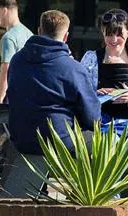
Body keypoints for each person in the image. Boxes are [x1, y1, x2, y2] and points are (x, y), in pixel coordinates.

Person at [80, 8, 128, 194]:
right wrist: (96, 95)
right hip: (105, 125)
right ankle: (111, 204)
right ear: (102, 32)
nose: (114, 39)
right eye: (109, 34)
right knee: (111, 155)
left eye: (119, 34)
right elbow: (80, 91)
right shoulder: (92, 58)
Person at [7, 9, 100, 154]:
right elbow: (93, 119)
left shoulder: (16, 60)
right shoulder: (73, 69)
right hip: (59, 142)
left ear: (39, 30)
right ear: (65, 37)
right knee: (114, 141)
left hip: (21, 141)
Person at [0, 0, 33, 103]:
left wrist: (0, 98)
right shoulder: (29, 34)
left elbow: (6, 68)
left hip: (15, 94)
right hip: (31, 92)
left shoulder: (8, 37)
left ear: (4, 11)